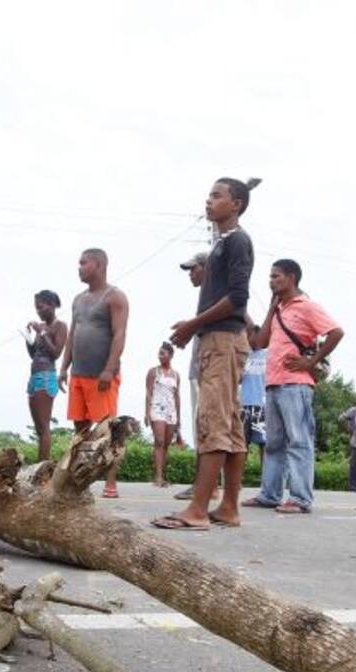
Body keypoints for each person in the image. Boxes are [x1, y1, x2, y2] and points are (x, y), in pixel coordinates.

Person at [155, 177, 258, 530]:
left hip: (223, 341)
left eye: (217, 196)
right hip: (220, 338)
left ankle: (198, 509)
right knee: (230, 424)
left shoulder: (238, 240)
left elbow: (237, 298)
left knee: (213, 420)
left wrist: (194, 324)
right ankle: (228, 507)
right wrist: (195, 325)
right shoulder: (222, 243)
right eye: (209, 195)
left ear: (237, 204)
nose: (208, 201)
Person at [244, 260, 343, 513]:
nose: (271, 281)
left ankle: (300, 498)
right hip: (273, 383)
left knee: (299, 442)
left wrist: (311, 361)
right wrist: (271, 308)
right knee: (273, 444)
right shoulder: (279, 309)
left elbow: (336, 332)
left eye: (276, 276)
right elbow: (260, 342)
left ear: (291, 278)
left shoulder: (307, 306)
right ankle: (270, 494)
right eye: (270, 277)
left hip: (296, 384)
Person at [58, 248, 129, 498]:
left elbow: (119, 334)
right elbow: (72, 335)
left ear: (99, 265)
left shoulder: (115, 297)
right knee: (80, 430)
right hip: (79, 373)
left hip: (102, 377)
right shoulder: (78, 299)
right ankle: (80, 484)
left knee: (107, 432)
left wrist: (109, 369)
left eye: (83, 263)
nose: (79, 268)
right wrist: (64, 367)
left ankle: (111, 484)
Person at [173, 252, 209, 502]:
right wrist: (191, 325)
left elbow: (242, 322)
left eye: (194, 269)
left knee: (206, 428)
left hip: (207, 368)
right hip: (201, 368)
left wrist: (192, 326)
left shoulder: (216, 295)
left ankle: (204, 486)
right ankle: (205, 484)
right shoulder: (207, 296)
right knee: (203, 428)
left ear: (207, 269)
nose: (190, 274)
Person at [24, 290, 68, 462]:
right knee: (39, 429)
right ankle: (40, 466)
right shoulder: (41, 327)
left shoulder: (60, 326)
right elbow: (34, 354)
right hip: (34, 377)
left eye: (41, 307)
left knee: (44, 428)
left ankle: (42, 468)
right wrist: (28, 338)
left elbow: (55, 353)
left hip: (46, 377)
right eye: (36, 308)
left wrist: (42, 333)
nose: (38, 311)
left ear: (52, 305)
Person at [144, 342, 183, 487]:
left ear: (170, 355)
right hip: (157, 409)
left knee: (166, 444)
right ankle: (158, 477)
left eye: (163, 353)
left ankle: (162, 474)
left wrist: (178, 418)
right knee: (159, 441)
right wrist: (147, 412)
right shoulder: (153, 372)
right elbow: (148, 393)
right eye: (159, 353)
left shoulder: (176, 375)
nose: (160, 356)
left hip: (171, 411)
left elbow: (177, 396)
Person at [239, 327, 267, 469]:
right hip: (244, 405)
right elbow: (237, 379)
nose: (248, 338)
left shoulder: (268, 355)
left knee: (265, 444)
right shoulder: (244, 356)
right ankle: (237, 479)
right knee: (241, 444)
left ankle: (266, 478)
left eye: (250, 335)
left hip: (263, 406)